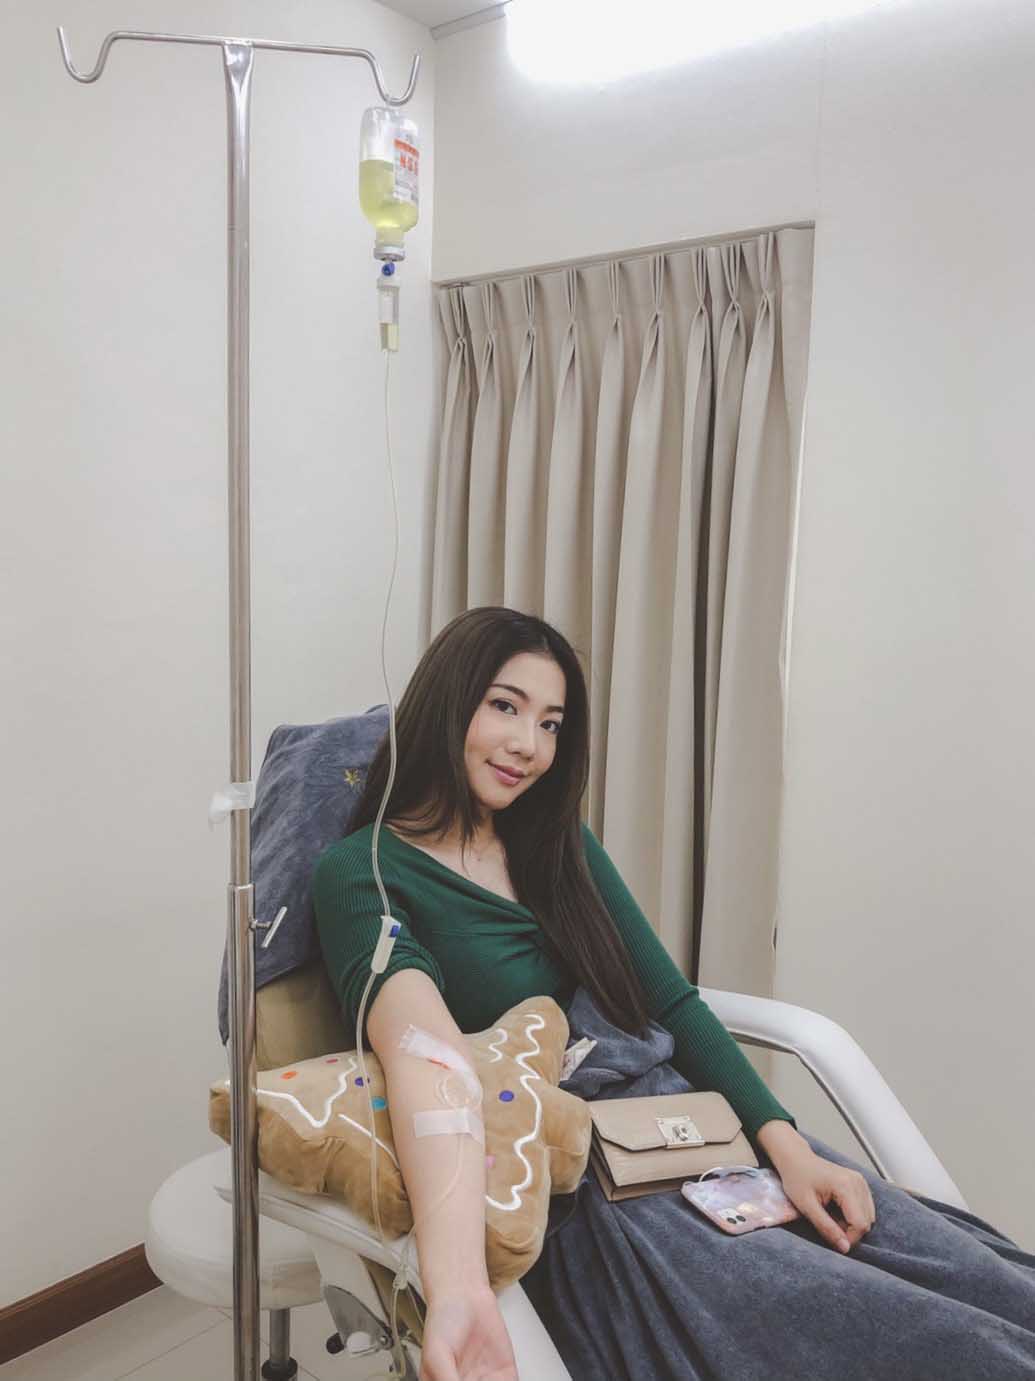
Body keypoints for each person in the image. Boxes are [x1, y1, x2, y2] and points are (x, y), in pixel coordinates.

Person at [312, 606, 1035, 1381]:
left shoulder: (556, 841)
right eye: (504, 706)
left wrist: (787, 1146)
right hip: (592, 1184)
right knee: (913, 1332)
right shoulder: (364, 872)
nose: (530, 745)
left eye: (551, 723)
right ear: (447, 699)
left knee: (974, 1277)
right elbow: (429, 1064)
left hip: (690, 1126)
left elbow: (669, 1002)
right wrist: (457, 1287)